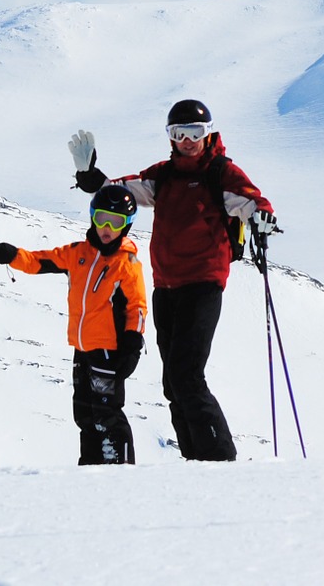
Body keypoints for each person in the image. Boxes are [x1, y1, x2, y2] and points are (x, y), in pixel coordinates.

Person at [69, 99, 279, 462]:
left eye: (195, 132)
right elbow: (124, 192)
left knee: (186, 375)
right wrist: (93, 179)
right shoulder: (164, 175)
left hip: (204, 282)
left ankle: (218, 459)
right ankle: (194, 460)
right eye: (178, 133)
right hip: (166, 287)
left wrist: (262, 219)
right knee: (172, 382)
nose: (187, 140)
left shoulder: (220, 173)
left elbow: (253, 203)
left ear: (208, 132)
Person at [0, 184, 147, 465]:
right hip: (83, 349)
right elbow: (39, 261)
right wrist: (3, 251)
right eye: (102, 219)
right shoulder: (78, 253)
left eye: (116, 222)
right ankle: (90, 467)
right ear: (93, 217)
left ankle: (120, 470)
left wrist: (133, 344)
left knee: (107, 414)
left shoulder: (126, 263)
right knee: (84, 414)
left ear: (127, 225)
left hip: (109, 352)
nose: (107, 228)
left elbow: (137, 307)